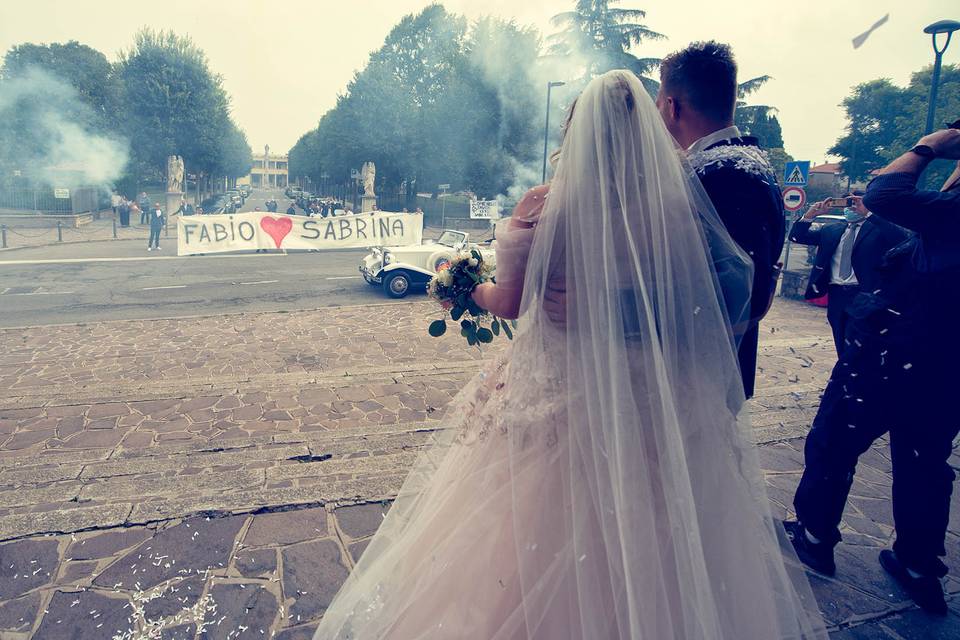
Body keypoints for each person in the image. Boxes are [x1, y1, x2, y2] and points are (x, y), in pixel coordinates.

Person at [311, 70, 826, 640]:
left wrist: (462, 284)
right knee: (655, 537)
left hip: (564, 390)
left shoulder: (545, 206)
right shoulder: (678, 208)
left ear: (575, 133)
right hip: (656, 400)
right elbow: (729, 293)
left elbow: (508, 302)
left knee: (531, 536)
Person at [786, 128, 960, 615]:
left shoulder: (951, 211)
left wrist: (930, 145)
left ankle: (815, 533)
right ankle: (918, 563)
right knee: (924, 461)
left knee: (835, 438)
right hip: (948, 364)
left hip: (899, 353)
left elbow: (887, 192)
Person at [655, 41, 785, 399]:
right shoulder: (748, 161)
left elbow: (735, 293)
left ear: (671, 106)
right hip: (711, 371)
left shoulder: (721, 176)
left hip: (698, 379)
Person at [789, 193, 909, 356]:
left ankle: (859, 375)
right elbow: (797, 237)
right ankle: (846, 373)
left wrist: (869, 213)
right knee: (841, 340)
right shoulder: (832, 229)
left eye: (855, 203)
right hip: (837, 294)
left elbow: (901, 239)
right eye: (847, 204)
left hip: (863, 294)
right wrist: (810, 215)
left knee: (862, 344)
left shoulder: (877, 230)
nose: (850, 208)